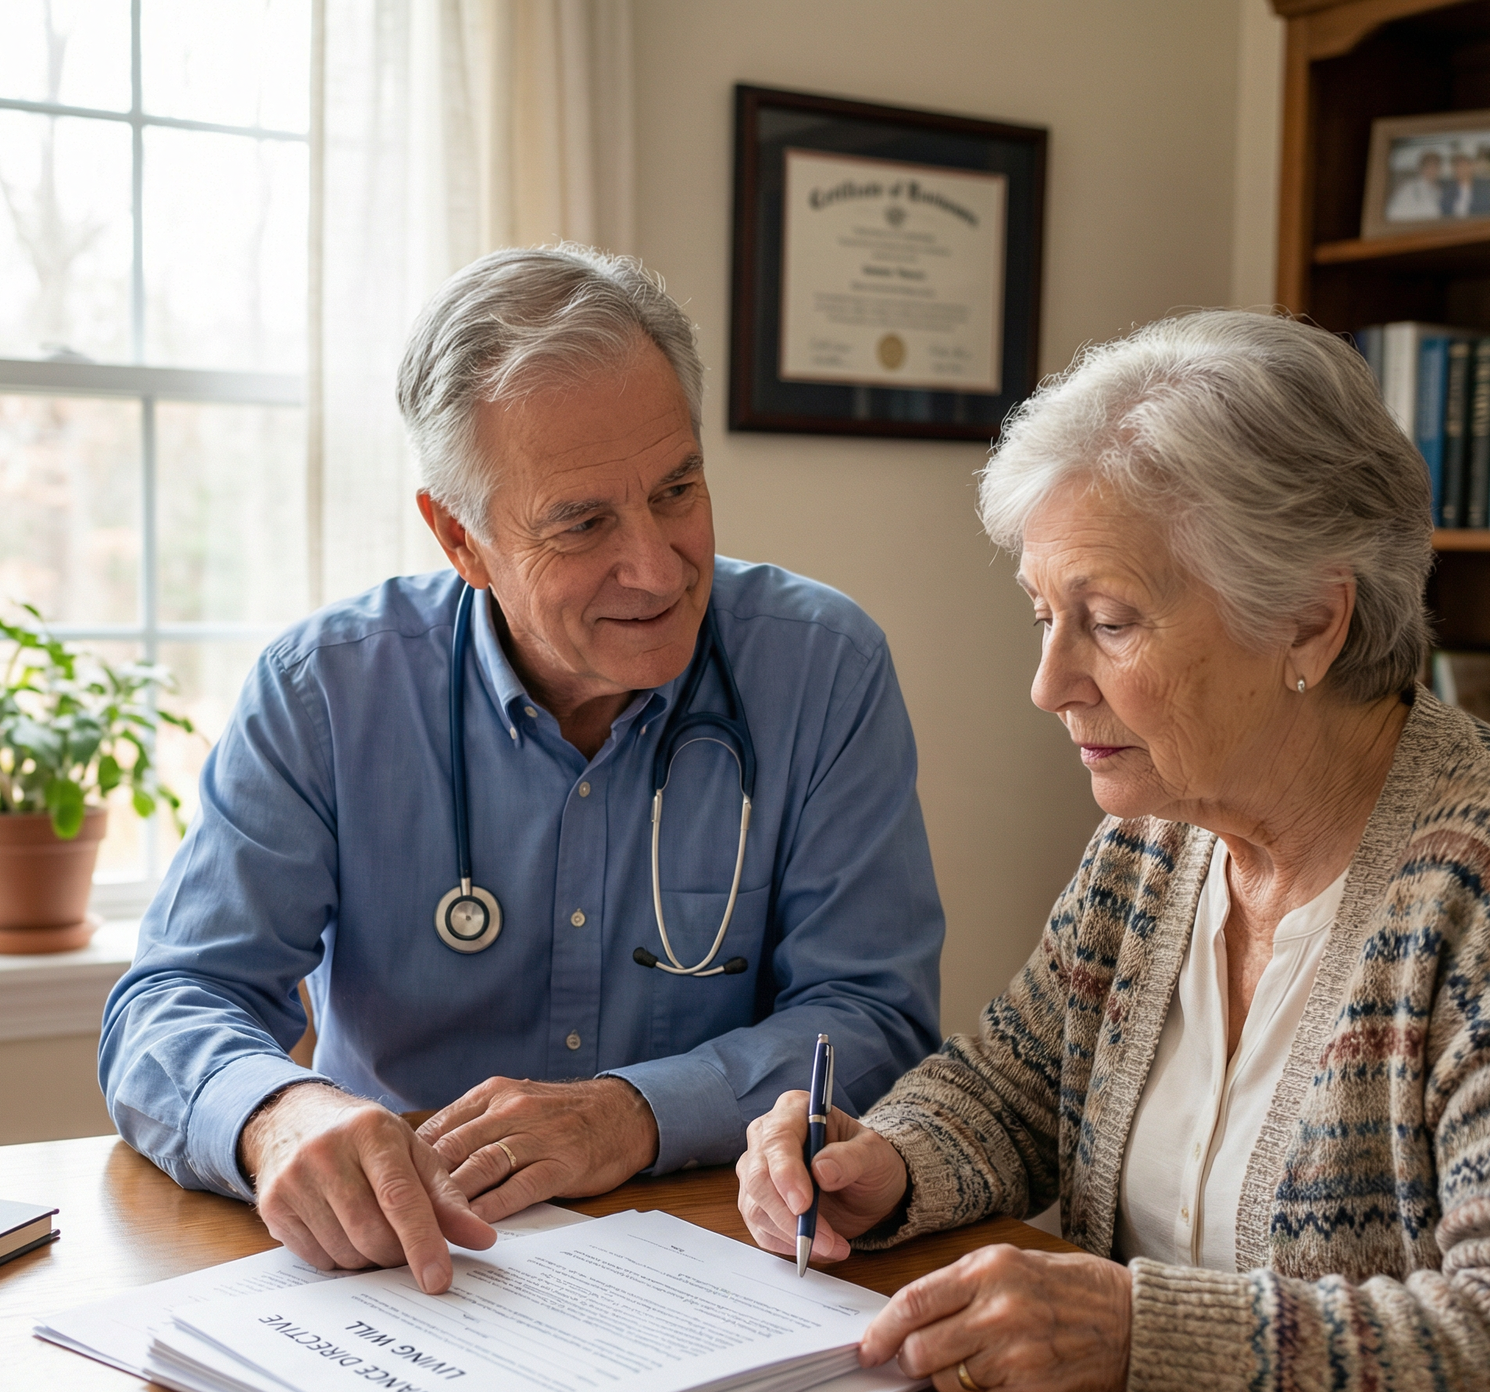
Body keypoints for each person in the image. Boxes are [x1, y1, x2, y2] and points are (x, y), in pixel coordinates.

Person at [100, 245, 944, 1294]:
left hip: (716, 1268)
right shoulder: (328, 690)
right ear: (461, 537)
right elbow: (172, 999)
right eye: (583, 522)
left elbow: (874, 1015)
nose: (656, 564)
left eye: (676, 489)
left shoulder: (820, 666)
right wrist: (278, 1114)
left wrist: (635, 1113)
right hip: (407, 1271)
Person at [737, 310, 1490, 1392]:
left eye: (1107, 621)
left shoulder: (1471, 899)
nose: (1047, 683)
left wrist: (1137, 1335)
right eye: (1045, 617)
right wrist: (878, 1163)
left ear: (1309, 621)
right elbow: (1016, 1084)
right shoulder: (1159, 839)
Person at [1385, 147, 1445, 222]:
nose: (1433, 170)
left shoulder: (1440, 191)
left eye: (1436, 166)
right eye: (1429, 166)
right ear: (1421, 168)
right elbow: (1393, 214)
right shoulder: (1408, 188)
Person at [1443, 147, 1490, 218]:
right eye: (1456, 166)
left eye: (1463, 165)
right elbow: (1445, 212)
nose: (1460, 169)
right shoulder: (1447, 190)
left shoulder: (1487, 187)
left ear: (1471, 167)